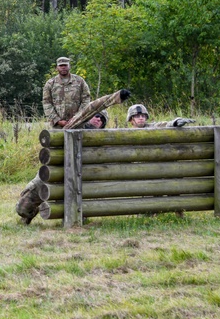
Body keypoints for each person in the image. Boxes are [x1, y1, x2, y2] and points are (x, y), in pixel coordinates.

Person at [16, 87, 130, 225]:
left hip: (81, 180)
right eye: (96, 116)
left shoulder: (102, 139)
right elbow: (93, 107)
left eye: (102, 119)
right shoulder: (75, 124)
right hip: (54, 172)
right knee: (22, 208)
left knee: (78, 213)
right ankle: (31, 213)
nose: (98, 120)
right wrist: (116, 96)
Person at [42, 57, 91, 128]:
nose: (63, 68)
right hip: (58, 126)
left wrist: (77, 117)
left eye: (65, 65)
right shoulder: (50, 83)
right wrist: (57, 120)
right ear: (57, 68)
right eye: (61, 66)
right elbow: (46, 103)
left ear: (69, 66)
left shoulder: (80, 81)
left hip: (78, 123)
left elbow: (86, 99)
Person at [126, 104, 194, 129]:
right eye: (137, 116)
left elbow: (164, 124)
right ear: (131, 119)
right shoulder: (126, 134)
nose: (141, 118)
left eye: (143, 116)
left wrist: (175, 122)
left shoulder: (151, 127)